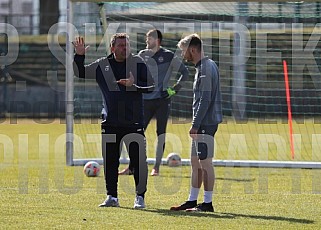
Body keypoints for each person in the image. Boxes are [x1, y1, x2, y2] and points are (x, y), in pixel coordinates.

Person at [73, 33, 154, 209]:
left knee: (139, 161)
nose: (125, 48)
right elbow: (80, 72)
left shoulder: (138, 63)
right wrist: (79, 55)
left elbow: (151, 87)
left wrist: (134, 85)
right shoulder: (103, 65)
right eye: (121, 45)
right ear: (112, 48)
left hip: (134, 123)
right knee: (110, 162)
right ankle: (112, 197)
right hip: (110, 122)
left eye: (126, 45)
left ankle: (140, 197)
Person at [118, 29, 189, 176]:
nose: (146, 41)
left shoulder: (169, 56)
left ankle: (156, 167)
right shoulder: (142, 55)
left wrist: (173, 90)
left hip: (163, 102)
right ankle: (132, 167)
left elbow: (185, 73)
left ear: (157, 41)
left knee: (160, 133)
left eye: (149, 39)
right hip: (144, 101)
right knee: (136, 134)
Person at [170, 34, 222, 212]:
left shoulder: (206, 68)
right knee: (195, 162)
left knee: (205, 163)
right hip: (203, 123)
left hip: (205, 123)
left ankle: (207, 204)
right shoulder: (206, 65)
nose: (183, 55)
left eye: (183, 51)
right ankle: (192, 200)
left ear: (192, 50)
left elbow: (205, 100)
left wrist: (195, 124)